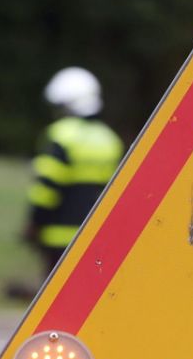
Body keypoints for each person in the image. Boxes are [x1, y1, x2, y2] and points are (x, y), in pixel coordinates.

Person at [23, 67, 124, 277]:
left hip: (57, 238)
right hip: (96, 238)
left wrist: (34, 223)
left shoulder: (61, 135)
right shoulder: (110, 140)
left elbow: (46, 188)